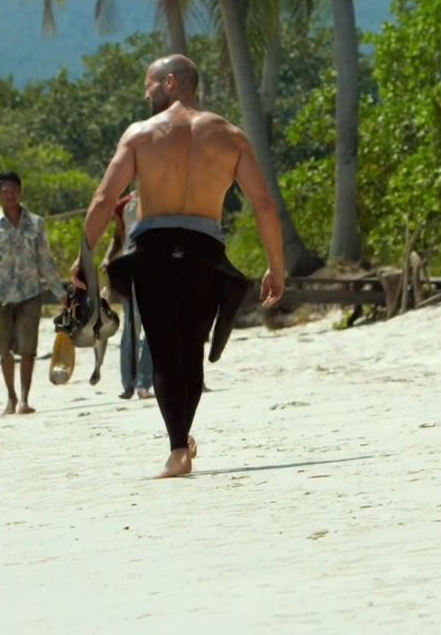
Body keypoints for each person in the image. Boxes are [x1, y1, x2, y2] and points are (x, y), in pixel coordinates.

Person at [74, 54, 286, 479]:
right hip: (204, 252)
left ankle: (177, 449)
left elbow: (102, 199)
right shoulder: (230, 136)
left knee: (165, 350)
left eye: (150, 84)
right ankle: (182, 442)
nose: (145, 92)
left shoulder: (140, 135)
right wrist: (275, 265)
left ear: (171, 83)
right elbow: (263, 202)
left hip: (153, 252)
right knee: (190, 350)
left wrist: (85, 259)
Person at [0, 171, 65, 415]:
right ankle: (10, 396)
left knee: (28, 349)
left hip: (30, 292)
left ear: (20, 192)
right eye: (5, 191)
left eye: (14, 190)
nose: (11, 194)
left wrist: (59, 291)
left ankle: (24, 399)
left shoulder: (36, 223)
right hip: (1, 295)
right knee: (5, 350)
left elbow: (45, 260)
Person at [114, 193, 154, 400]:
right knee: (131, 329)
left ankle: (144, 382)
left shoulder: (165, 199)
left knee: (152, 331)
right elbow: (118, 237)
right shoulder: (124, 206)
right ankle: (128, 383)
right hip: (130, 270)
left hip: (157, 270)